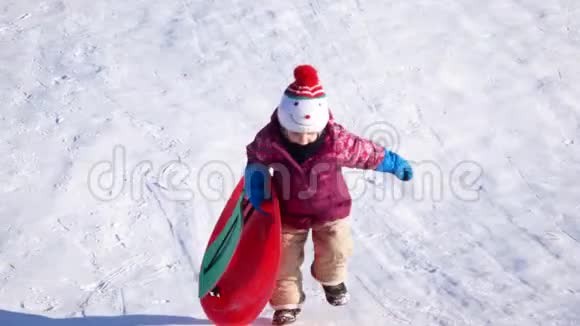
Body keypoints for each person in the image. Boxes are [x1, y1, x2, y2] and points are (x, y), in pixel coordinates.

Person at [244, 64, 413, 325]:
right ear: (284, 122)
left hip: (331, 210)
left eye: (310, 133)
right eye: (296, 133)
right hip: (287, 214)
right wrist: (256, 178)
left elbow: (366, 153)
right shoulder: (271, 139)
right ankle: (286, 303)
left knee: (337, 249)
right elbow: (255, 156)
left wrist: (393, 163)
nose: (303, 138)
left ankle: (331, 280)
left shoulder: (337, 140)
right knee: (281, 259)